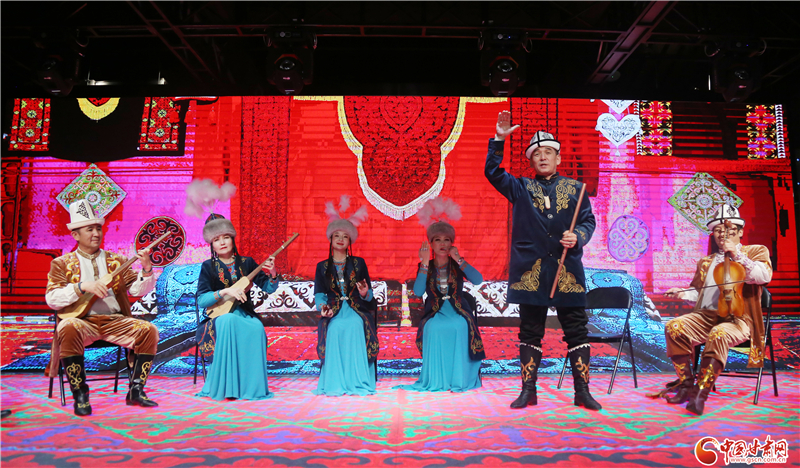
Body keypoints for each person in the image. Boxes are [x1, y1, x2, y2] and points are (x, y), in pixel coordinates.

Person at [485, 110, 602, 411]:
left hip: (566, 270)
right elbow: (493, 173)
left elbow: (588, 222)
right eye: (537, 154)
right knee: (530, 331)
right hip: (531, 271)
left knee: (576, 330)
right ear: (531, 161)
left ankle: (582, 392)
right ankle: (529, 391)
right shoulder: (521, 187)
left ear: (558, 158)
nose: (543, 157)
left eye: (548, 152)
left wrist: (578, 236)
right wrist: (499, 140)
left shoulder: (577, 190)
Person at [45, 199, 159, 416]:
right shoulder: (61, 264)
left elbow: (137, 290)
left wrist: (146, 269)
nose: (96, 233)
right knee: (67, 327)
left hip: (115, 321)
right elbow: (52, 299)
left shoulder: (117, 261)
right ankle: (80, 393)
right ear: (75, 234)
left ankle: (136, 389)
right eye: (90, 229)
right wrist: (81, 287)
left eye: (98, 228)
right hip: (82, 323)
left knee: (148, 330)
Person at [659, 204, 772, 415]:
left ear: (740, 232)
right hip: (706, 316)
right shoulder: (705, 262)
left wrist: (737, 255)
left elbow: (763, 276)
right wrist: (683, 293)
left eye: (729, 229)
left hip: (739, 319)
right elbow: (700, 294)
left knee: (719, 333)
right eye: (718, 230)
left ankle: (700, 393)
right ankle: (686, 385)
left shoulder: (755, 251)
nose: (723, 234)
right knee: (674, 327)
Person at [396, 197, 485, 393]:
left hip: (458, 311)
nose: (442, 244)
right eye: (438, 240)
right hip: (435, 313)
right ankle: (439, 378)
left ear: (452, 243)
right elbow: (418, 292)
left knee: (460, 326)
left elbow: (478, 280)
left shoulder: (457, 263)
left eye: (447, 240)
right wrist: (424, 263)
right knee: (433, 328)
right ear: (431, 244)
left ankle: (460, 377)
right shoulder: (425, 266)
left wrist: (459, 259)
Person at [195, 214, 279, 400]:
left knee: (257, 327)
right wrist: (226, 292)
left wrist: (272, 273)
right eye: (216, 239)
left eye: (225, 237)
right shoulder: (208, 266)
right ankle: (228, 388)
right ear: (212, 244)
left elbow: (269, 288)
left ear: (232, 239)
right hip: (218, 317)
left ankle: (251, 388)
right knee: (229, 320)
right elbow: (202, 300)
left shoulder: (247, 263)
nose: (222, 242)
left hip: (245, 314)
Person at [314, 195, 378, 396]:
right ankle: (335, 380)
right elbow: (319, 294)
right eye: (337, 235)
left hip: (356, 310)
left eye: (345, 236)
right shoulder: (322, 266)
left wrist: (365, 293)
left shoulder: (359, 263)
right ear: (330, 239)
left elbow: (369, 293)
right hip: (334, 311)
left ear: (350, 240)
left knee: (356, 326)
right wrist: (323, 308)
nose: (341, 239)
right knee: (334, 329)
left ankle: (357, 379)